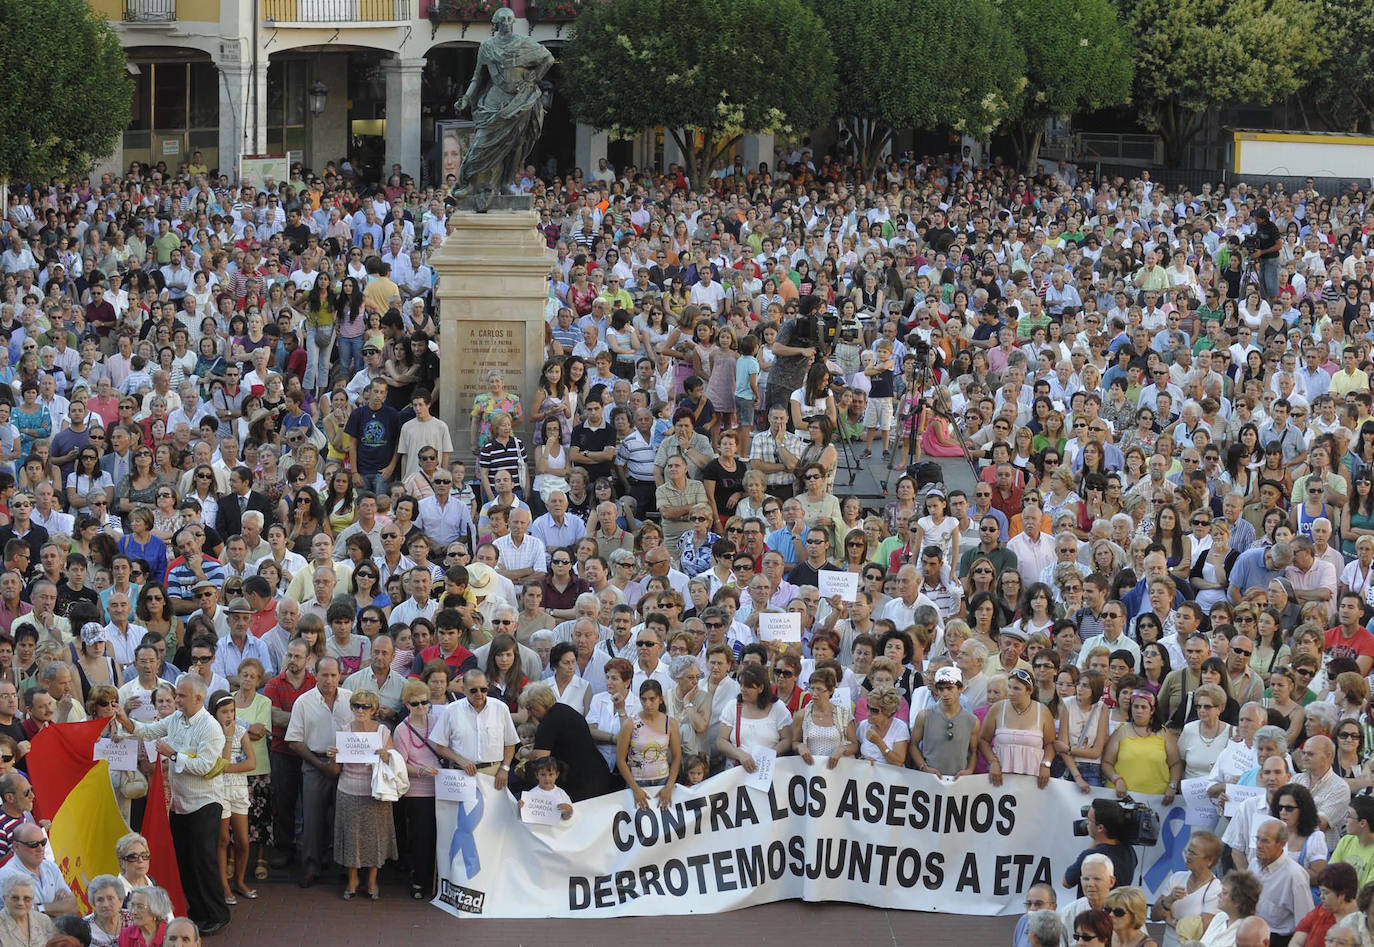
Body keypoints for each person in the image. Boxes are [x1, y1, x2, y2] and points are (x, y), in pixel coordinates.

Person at [111, 674, 229, 936]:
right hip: (180, 803)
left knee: (204, 861)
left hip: (204, 803)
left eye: (181, 696)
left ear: (198, 698)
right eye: (177, 696)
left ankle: (218, 913)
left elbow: (205, 767)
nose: (176, 700)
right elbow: (148, 731)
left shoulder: (211, 728)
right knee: (185, 861)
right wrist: (124, 720)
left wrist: (173, 754)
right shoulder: (176, 718)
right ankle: (198, 910)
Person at [283, 655, 352, 889]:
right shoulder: (303, 702)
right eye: (324, 675)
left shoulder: (351, 700)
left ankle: (345, 867)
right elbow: (294, 740)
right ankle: (311, 867)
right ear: (316, 674)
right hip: (314, 764)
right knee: (312, 820)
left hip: (347, 766)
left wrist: (342, 763)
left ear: (340, 675)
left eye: (334, 675)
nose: (329, 680)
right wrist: (320, 765)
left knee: (344, 818)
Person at [328, 689, 395, 901]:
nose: (360, 710)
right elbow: (335, 771)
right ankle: (352, 879)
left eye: (365, 706)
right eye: (356, 705)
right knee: (350, 837)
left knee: (375, 836)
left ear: (374, 709)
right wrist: (332, 758)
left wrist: (387, 756)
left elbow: (394, 765)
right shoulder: (345, 731)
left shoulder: (383, 732)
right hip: (348, 789)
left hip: (376, 792)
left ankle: (372, 880)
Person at [979, 668, 1056, 788]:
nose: (1010, 692)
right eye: (1009, 687)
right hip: (999, 779)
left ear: (1029, 691)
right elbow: (983, 740)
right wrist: (993, 762)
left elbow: (1050, 744)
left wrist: (1046, 765)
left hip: (1033, 779)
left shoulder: (1043, 712)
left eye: (1016, 689)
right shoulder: (997, 708)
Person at [616, 679, 681, 810]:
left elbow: (677, 757)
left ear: (660, 699)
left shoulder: (670, 723)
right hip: (637, 781)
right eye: (644, 699)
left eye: (652, 699)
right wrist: (635, 789)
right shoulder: (630, 724)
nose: (648, 704)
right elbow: (620, 760)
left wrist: (669, 786)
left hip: (663, 780)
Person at [1154, 831, 1223, 947]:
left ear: (1210, 861)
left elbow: (1202, 930)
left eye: (1193, 853)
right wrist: (1169, 900)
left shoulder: (1216, 889)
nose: (1187, 856)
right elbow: (1155, 916)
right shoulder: (1176, 878)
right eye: (1188, 851)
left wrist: (1171, 920)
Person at [1256, 817, 1318, 945]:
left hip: (1279, 939)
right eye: (1257, 839)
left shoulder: (1295, 875)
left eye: (1265, 841)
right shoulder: (1253, 865)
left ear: (1282, 844)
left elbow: (1305, 922)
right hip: (1254, 933)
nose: (1258, 845)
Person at [1065, 800, 1141, 897]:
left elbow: (1067, 882)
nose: (1086, 823)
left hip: (1091, 911)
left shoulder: (1091, 857)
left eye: (1089, 820)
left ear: (1100, 828)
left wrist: (1093, 844)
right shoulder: (1130, 851)